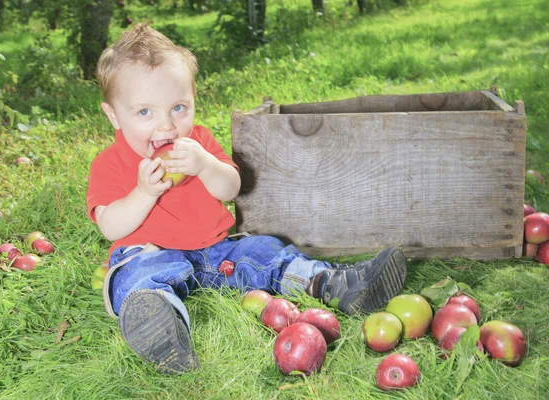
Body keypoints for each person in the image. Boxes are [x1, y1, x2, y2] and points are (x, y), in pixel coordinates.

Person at [86, 23, 407, 374]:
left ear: (194, 100)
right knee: (136, 278)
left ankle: (335, 284)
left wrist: (206, 165)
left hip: (216, 250)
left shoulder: (199, 143)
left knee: (264, 252)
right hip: (151, 253)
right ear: (113, 115)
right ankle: (161, 328)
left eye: (178, 108)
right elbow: (110, 224)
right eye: (145, 112)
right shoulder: (110, 164)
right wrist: (143, 193)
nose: (166, 125)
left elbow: (231, 188)